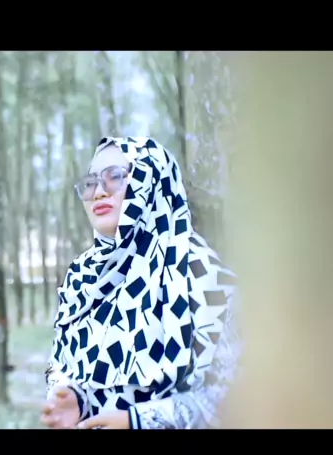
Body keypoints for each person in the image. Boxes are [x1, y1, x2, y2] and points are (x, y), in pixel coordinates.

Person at [40, 136, 241, 430]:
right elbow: (61, 365)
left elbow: (232, 396)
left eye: (115, 176)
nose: (99, 192)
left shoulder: (197, 270)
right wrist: (73, 396)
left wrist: (137, 421)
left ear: (151, 180)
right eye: (91, 182)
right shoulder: (82, 277)